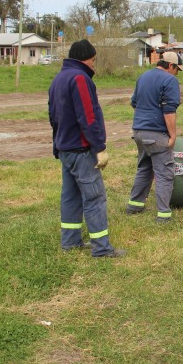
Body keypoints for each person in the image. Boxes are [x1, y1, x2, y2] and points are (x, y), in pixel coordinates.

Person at [48, 39, 124, 257]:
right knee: (94, 198)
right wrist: (99, 146)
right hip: (82, 151)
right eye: (93, 60)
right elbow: (88, 117)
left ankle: (70, 242)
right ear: (85, 59)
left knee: (71, 196)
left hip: (65, 150)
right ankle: (102, 248)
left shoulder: (58, 79)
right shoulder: (80, 79)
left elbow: (53, 116)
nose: (94, 65)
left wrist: (57, 145)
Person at [126, 51, 183, 223]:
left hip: (139, 132)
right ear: (170, 66)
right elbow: (169, 111)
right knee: (164, 174)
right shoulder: (169, 80)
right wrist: (172, 136)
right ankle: (163, 215)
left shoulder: (143, 77)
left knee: (144, 169)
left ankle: (134, 205)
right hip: (157, 135)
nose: (177, 74)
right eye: (177, 69)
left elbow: (134, 103)